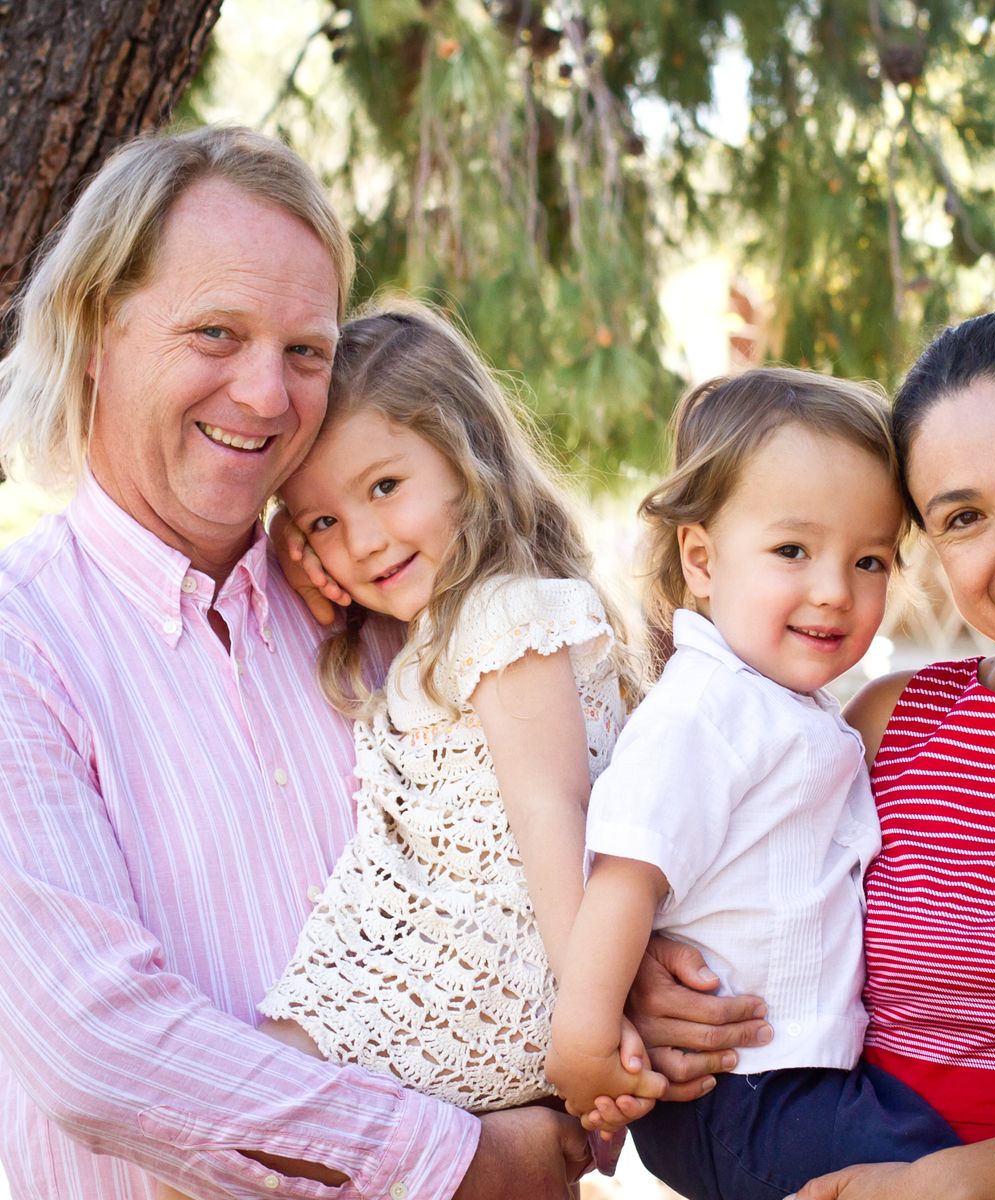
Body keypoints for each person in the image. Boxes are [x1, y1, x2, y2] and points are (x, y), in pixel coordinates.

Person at [0, 125, 590, 1199]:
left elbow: (535, 866)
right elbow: (99, 1048)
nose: (267, 396)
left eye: (306, 351)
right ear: (96, 331)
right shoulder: (21, 644)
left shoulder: (398, 618)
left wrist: (651, 985)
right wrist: (463, 1164)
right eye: (216, 333)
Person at [619, 312, 995, 1200]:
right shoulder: (889, 724)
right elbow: (736, 898)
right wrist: (655, 978)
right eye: (964, 517)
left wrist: (950, 1186)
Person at [546, 368, 960, 1199]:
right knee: (951, 1180)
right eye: (792, 551)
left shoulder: (781, 705)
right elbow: (627, 871)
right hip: (741, 1087)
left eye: (870, 559)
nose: (834, 590)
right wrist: (585, 1041)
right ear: (700, 558)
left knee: (950, 1160)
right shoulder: (709, 708)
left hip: (789, 1079)